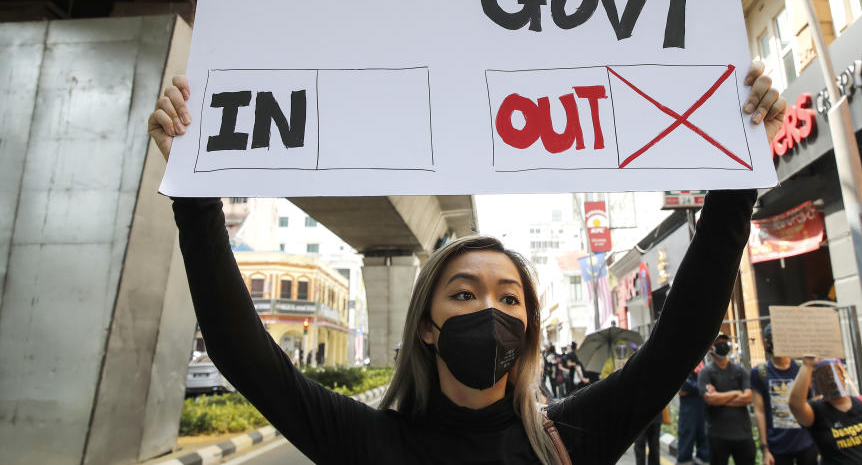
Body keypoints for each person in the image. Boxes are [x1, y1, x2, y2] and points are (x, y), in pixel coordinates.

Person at [147, 63, 785, 464]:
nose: (489, 309)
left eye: (510, 298)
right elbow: (244, 355)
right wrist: (195, 195)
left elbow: (681, 337)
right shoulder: (368, 442)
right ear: (425, 323)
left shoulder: (571, 438)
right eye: (463, 294)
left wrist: (738, 176)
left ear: (530, 325)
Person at [750, 325, 817, 465]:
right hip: (777, 447)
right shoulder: (759, 372)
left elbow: (814, 402)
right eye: (777, 338)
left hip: (806, 443)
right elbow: (759, 411)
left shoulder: (802, 368)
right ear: (768, 342)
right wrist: (765, 449)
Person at [698, 333, 755, 465]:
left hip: (743, 434)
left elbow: (749, 397)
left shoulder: (740, 370)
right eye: (718, 343)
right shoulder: (705, 373)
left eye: (724, 342)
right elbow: (710, 399)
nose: (723, 345)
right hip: (718, 435)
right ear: (711, 349)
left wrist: (721, 397)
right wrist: (737, 392)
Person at [677, 363, 709, 465]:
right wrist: (703, 389)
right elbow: (683, 387)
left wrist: (699, 389)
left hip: (702, 406)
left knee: (704, 435)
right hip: (689, 407)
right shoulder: (684, 361)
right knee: (687, 436)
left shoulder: (704, 363)